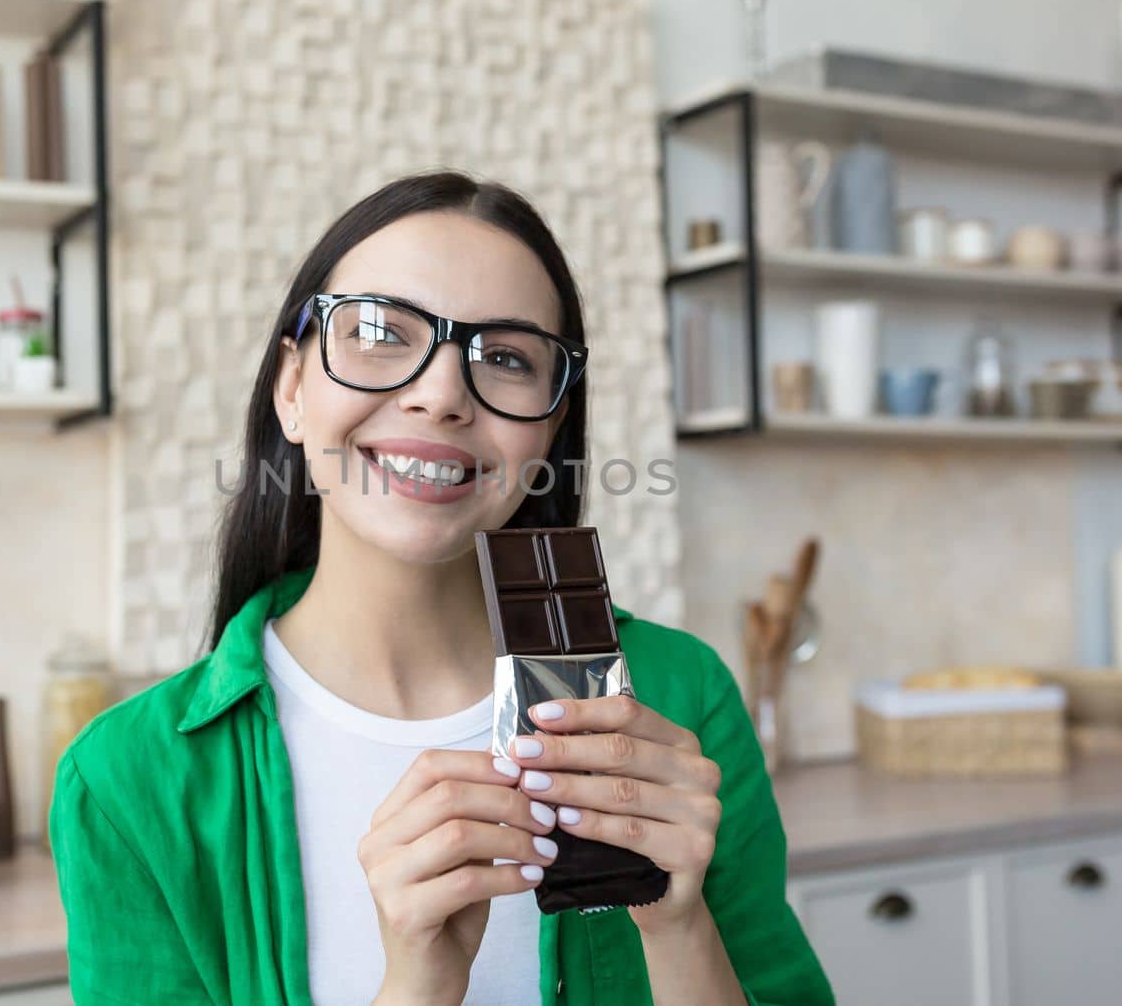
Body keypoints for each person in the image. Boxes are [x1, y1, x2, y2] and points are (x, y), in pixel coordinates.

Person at [50, 170, 833, 1005]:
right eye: (381, 331)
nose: (440, 394)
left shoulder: (684, 698)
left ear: (550, 428)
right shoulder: (126, 781)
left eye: (504, 357)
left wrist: (681, 930)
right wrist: (419, 980)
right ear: (291, 390)